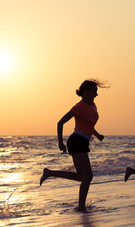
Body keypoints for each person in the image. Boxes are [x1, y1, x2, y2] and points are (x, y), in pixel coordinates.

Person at [40, 79, 108, 212]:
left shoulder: (93, 105)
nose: (96, 95)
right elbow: (60, 123)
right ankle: (81, 207)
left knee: (81, 177)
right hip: (76, 141)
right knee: (88, 176)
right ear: (86, 92)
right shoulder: (79, 106)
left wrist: (97, 135)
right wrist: (60, 142)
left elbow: (88, 125)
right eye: (94, 92)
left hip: (82, 142)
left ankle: (50, 173)